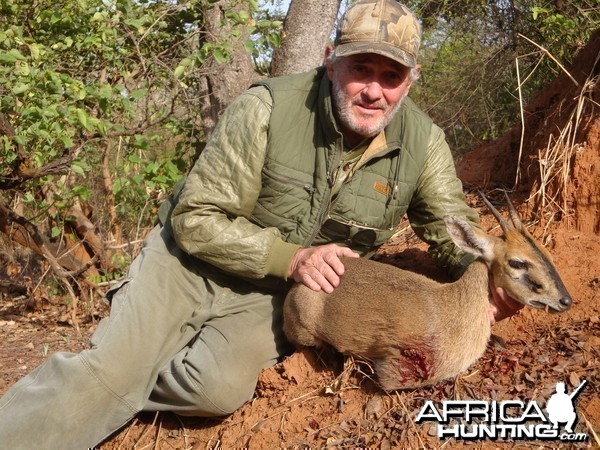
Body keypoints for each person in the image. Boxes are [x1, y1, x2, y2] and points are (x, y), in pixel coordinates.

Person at [0, 1, 523, 448]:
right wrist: (292, 258)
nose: (374, 91)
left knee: (217, 391)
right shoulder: (267, 107)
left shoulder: (423, 143)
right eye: (361, 68)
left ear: (410, 82)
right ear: (330, 61)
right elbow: (196, 219)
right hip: (190, 261)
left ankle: (139, 372)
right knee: (111, 377)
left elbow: (453, 228)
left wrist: (485, 285)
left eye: (391, 77)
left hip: (272, 292)